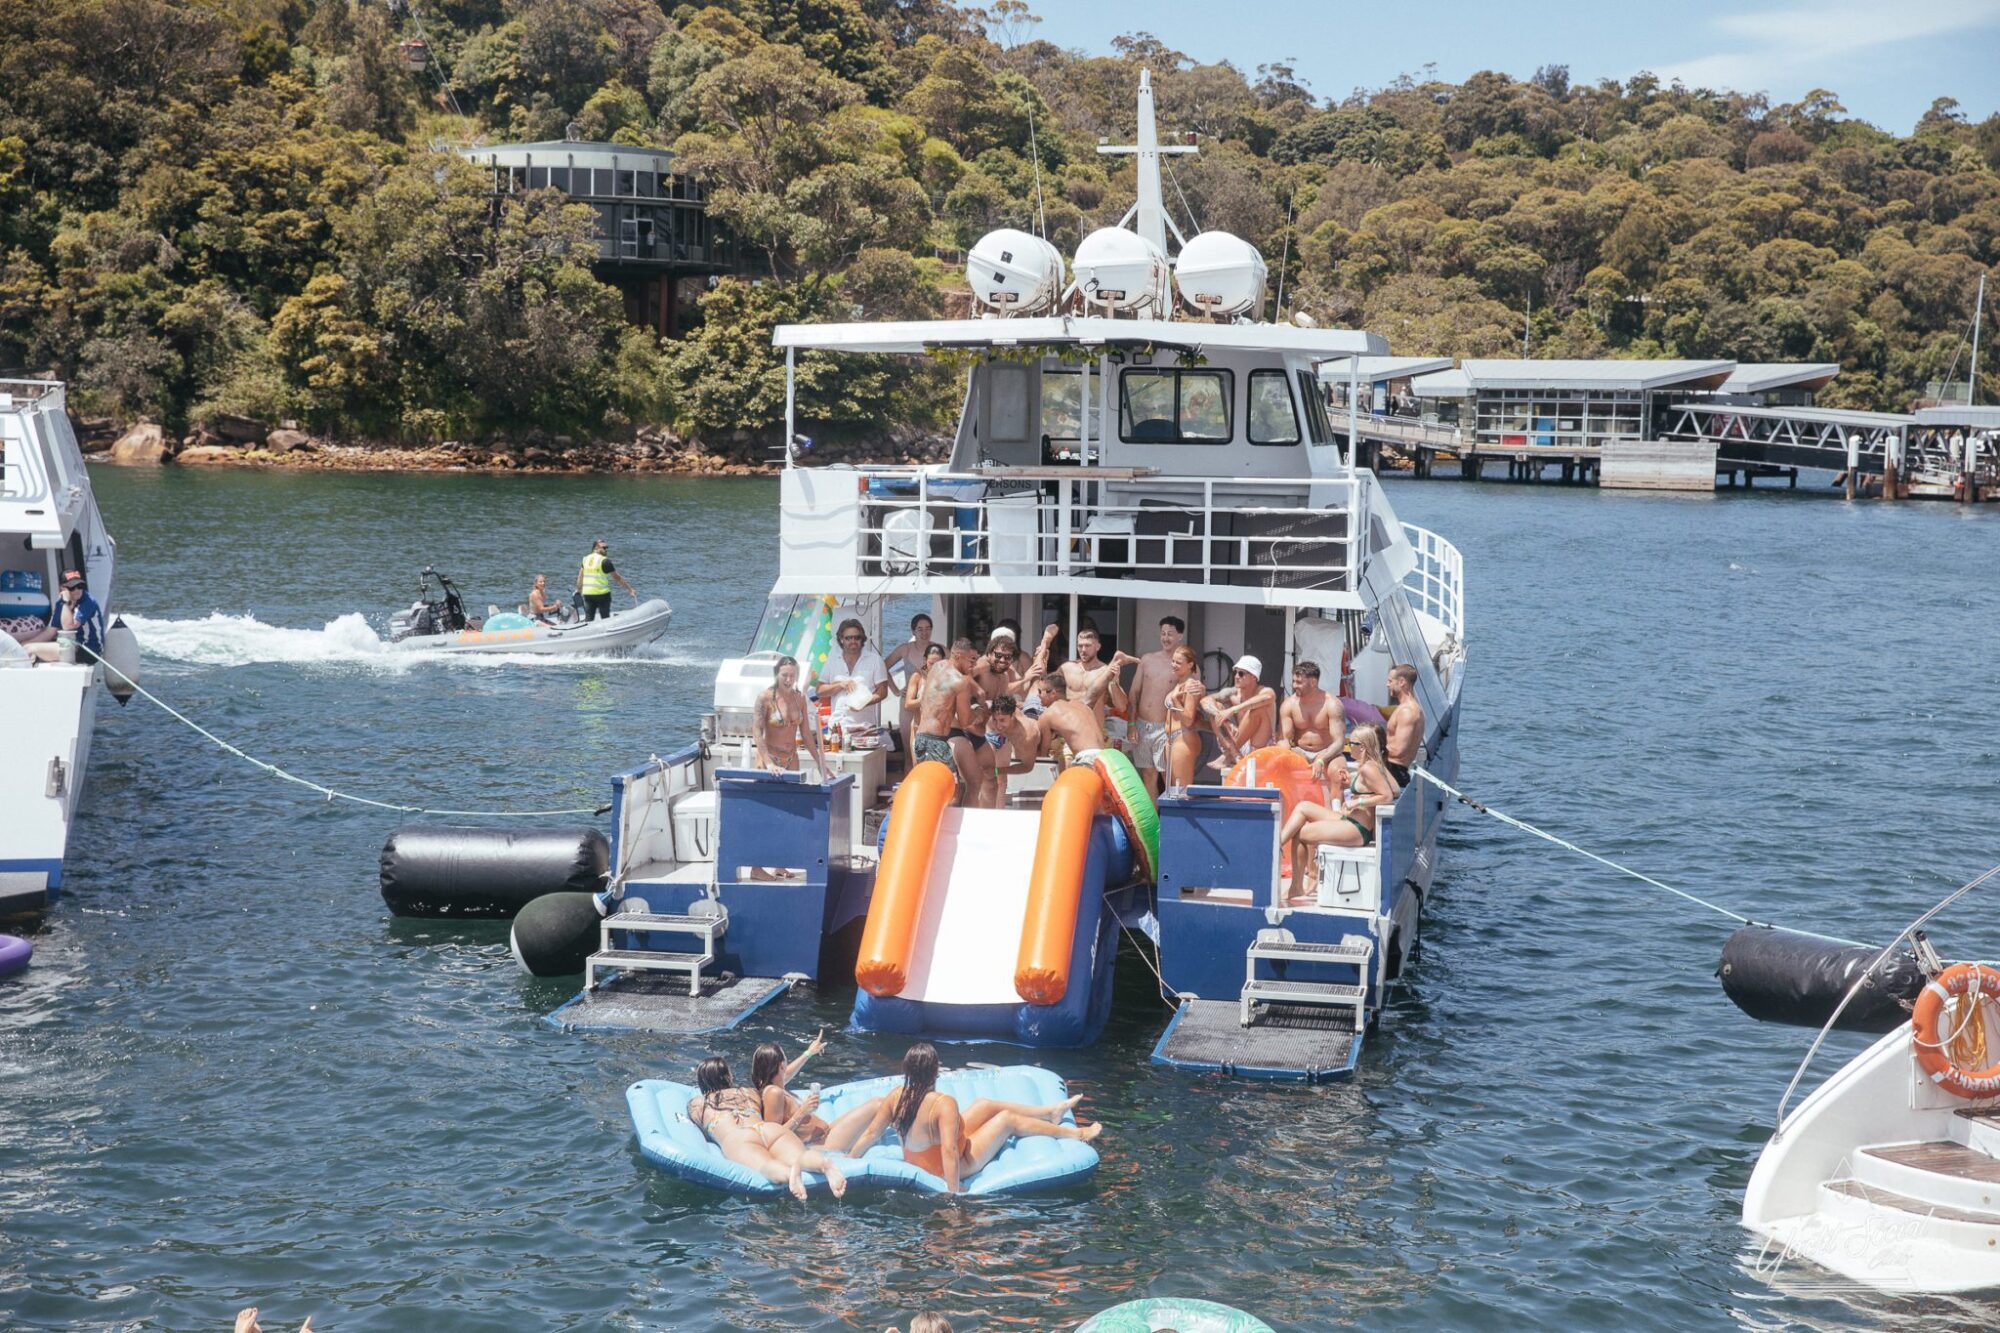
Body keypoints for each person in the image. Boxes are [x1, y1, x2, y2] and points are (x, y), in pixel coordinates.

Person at [847, 1042, 1099, 1195]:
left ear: (907, 1070)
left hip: (920, 1159)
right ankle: (1076, 1134)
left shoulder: (896, 1096)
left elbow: (871, 1133)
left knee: (984, 1104)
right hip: (954, 1164)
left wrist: (849, 1160)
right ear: (935, 1070)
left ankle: (1049, 1112)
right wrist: (953, 1191)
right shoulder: (943, 1103)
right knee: (1007, 1119)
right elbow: (948, 1150)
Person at [687, 1057, 847, 1200]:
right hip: (768, 1129)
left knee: (765, 1165)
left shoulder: (698, 1104)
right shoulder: (748, 1092)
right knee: (799, 1156)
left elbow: (701, 1127)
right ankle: (825, 1165)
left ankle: (788, 1174)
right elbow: (777, 1085)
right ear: (728, 1077)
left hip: (738, 1138)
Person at [1277, 723, 1399, 906]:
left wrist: (1358, 802)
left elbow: (1388, 795)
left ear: (1363, 747)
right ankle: (1277, 845)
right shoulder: (1369, 765)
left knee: (1301, 833)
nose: (1349, 748)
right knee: (1304, 807)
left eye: (1352, 744)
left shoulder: (1368, 768)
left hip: (1357, 830)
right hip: (1351, 820)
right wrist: (1351, 783)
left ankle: (1296, 879)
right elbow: (1384, 788)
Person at [751, 1032, 884, 1153]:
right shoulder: (774, 1092)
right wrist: (802, 1112)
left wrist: (809, 1052)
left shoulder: (775, 1084)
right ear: (781, 1065)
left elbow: (788, 1073)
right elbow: (773, 1137)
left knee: (876, 1106)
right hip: (824, 1144)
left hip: (825, 1134)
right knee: (878, 1104)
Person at [913, 638, 988, 806]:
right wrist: (979, 712)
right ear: (958, 656)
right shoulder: (960, 682)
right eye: (972, 660)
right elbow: (965, 721)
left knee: (938, 789)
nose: (974, 665)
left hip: (920, 737)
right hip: (936, 742)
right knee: (952, 794)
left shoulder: (938, 666)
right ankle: (945, 830)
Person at [1124, 616, 1187, 798]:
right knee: (1148, 775)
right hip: (1142, 725)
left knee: (1167, 776)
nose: (1166, 638)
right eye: (1163, 633)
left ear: (1180, 636)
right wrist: (1131, 724)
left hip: (1166, 728)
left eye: (1170, 634)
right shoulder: (1147, 659)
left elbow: (1193, 691)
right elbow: (1134, 692)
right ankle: (1155, 824)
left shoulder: (1184, 664)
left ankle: (1171, 821)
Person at [753, 655, 827, 780]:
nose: (788, 680)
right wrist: (768, 763)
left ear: (797, 677)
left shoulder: (800, 699)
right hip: (769, 758)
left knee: (792, 798)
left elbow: (806, 734)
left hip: (791, 758)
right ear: (776, 674)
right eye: (784, 675)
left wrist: (820, 762)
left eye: (792, 676)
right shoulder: (765, 698)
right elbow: (757, 732)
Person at [820, 618, 890, 744]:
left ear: (862, 639)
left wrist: (864, 703)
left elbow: (883, 691)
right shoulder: (832, 661)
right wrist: (840, 685)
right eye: (848, 638)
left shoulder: (875, 660)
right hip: (837, 728)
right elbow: (820, 691)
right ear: (841, 639)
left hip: (864, 729)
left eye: (857, 638)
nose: (853, 641)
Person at [1201, 654, 1277, 769]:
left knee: (1257, 709)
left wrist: (1233, 709)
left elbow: (1268, 697)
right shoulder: (1232, 694)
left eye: (1241, 673)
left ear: (1254, 677)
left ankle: (1228, 756)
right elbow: (1205, 700)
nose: (1236, 676)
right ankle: (1233, 754)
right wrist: (1222, 716)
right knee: (1216, 707)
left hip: (1259, 745)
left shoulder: (1264, 691)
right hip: (1235, 747)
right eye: (1235, 672)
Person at [1280, 661, 1345, 779]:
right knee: (1281, 748)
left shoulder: (1332, 704)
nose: (1294, 686)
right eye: (1293, 681)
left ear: (1313, 682)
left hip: (1327, 752)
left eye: (1299, 682)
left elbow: (1339, 743)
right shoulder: (1289, 704)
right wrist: (1284, 748)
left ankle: (1336, 798)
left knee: (1337, 772)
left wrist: (1321, 759)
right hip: (1300, 751)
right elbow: (1286, 739)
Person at [23, 571, 104, 663]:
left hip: (87, 650)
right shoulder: (60, 603)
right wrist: (26, 643)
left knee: (30, 650)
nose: (77, 590)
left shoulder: (88, 601)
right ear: (63, 588)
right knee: (26, 647)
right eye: (72, 587)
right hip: (69, 645)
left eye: (80, 586)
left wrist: (66, 604)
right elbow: (51, 631)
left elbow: (69, 626)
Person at [1031, 674, 1106, 766]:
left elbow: (1043, 755)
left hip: (1087, 759)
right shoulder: (1083, 706)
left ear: (1053, 693)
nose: (1038, 695)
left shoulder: (1048, 714)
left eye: (1040, 691)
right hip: (1105, 758)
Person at [1161, 644, 1205, 791]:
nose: (1174, 665)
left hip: (1183, 738)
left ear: (1190, 664)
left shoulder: (1190, 685)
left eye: (1178, 662)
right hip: (1172, 740)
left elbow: (1188, 719)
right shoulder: (1179, 684)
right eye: (1173, 661)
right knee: (1174, 790)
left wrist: (1175, 700)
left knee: (1182, 791)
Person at [901, 642, 946, 762]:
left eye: (938, 663)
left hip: (939, 732)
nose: (935, 667)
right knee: (918, 767)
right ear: (925, 659)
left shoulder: (946, 678)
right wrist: (925, 699)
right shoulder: (917, 677)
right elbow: (908, 704)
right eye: (931, 663)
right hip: (918, 729)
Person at [576, 538, 637, 622]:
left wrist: (579, 589)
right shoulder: (604, 561)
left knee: (589, 619)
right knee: (605, 618)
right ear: (596, 548)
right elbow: (617, 578)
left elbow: (580, 576)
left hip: (588, 593)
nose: (606, 550)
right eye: (604, 548)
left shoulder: (586, 559)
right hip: (602, 594)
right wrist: (630, 590)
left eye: (607, 548)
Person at [1384, 664, 1424, 786]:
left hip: (1394, 772)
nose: (1387, 684)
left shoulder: (1407, 712)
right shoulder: (1409, 708)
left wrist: (1371, 748)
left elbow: (1398, 750)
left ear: (1401, 682)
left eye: (1390, 681)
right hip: (1394, 770)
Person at [883, 612, 934, 679]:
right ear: (913, 631)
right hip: (909, 689)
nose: (924, 632)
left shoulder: (939, 649)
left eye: (927, 628)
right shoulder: (905, 649)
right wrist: (895, 689)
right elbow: (882, 668)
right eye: (920, 629)